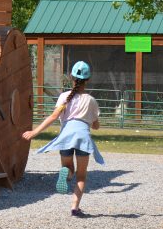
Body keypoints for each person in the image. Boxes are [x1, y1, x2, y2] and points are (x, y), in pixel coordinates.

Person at [22, 61, 103, 216]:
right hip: (83, 137)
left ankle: (66, 173)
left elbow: (53, 117)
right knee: (82, 175)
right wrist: (94, 123)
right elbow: (96, 125)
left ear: (71, 77)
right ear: (88, 79)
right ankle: (74, 207)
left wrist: (34, 132)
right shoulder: (91, 100)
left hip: (66, 136)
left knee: (68, 167)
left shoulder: (64, 97)